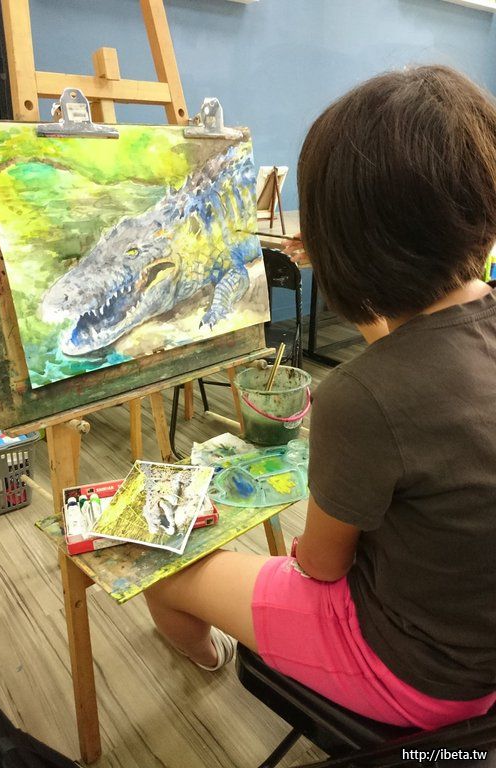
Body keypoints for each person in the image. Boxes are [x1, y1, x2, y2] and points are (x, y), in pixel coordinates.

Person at [144, 65, 496, 729]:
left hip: (420, 677)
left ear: (340, 245)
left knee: (169, 574)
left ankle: (211, 659)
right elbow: (418, 357)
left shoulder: (360, 399)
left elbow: (324, 567)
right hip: (475, 642)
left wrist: (299, 559)